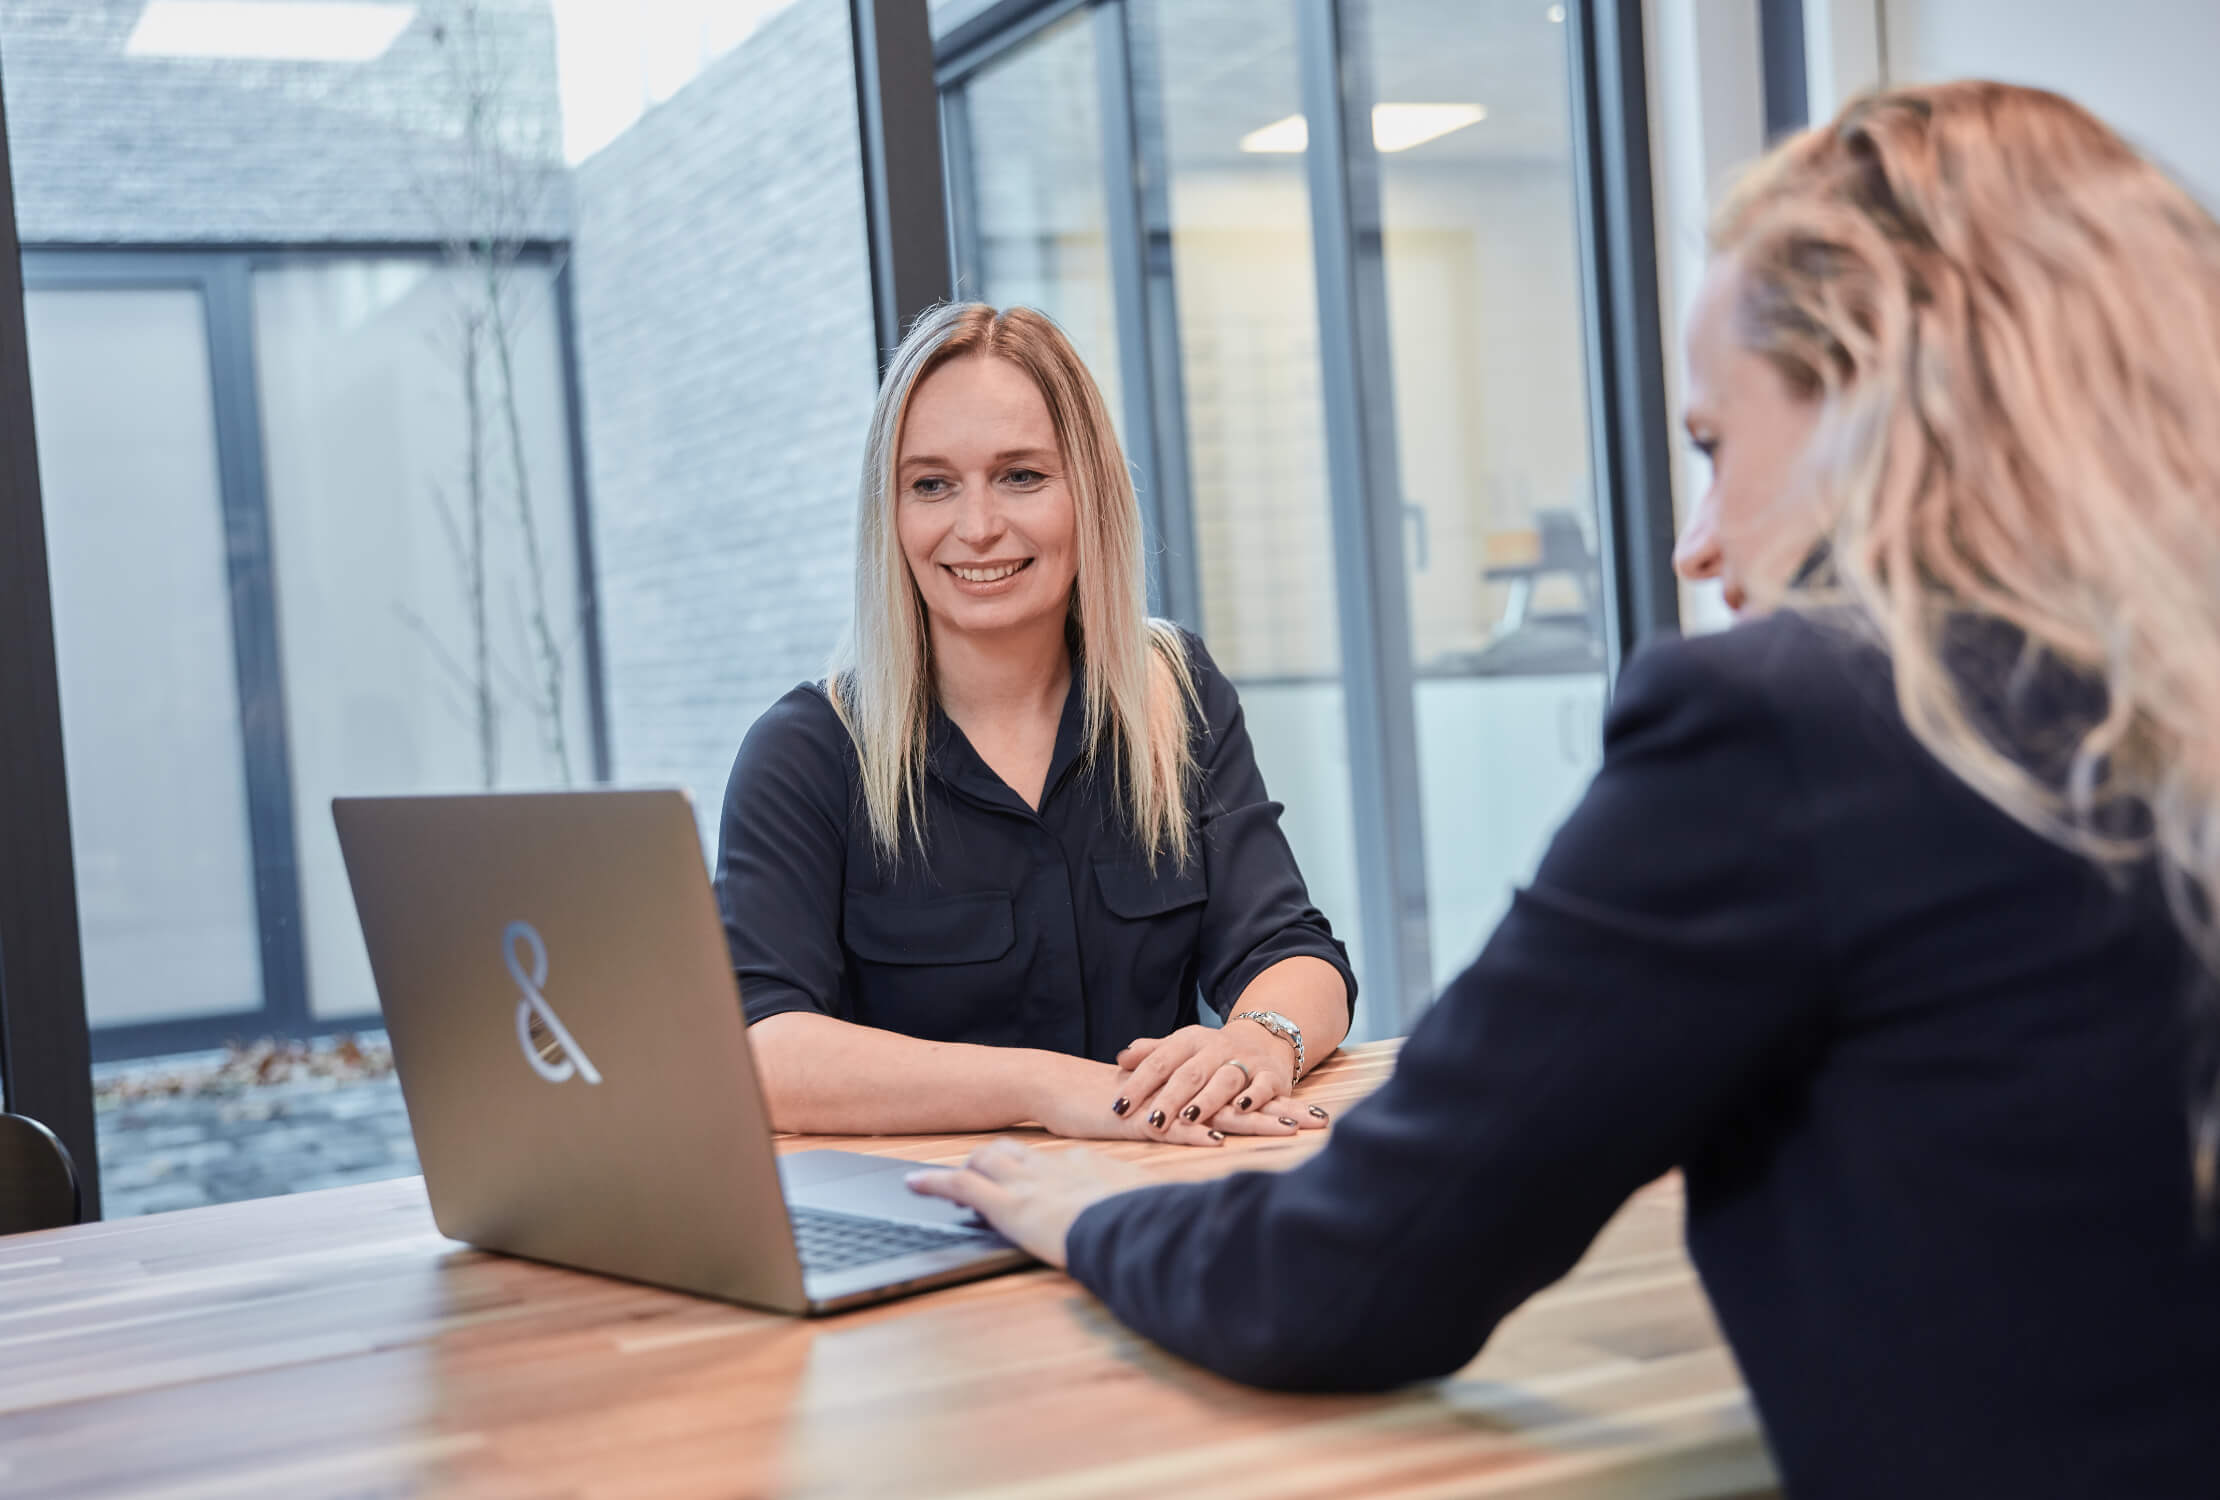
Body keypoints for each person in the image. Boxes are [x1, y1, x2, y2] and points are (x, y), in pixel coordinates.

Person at [908, 82, 2220, 1498]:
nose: (1697, 546)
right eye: (933, 487)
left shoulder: (1795, 721)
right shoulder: (2149, 704)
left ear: (1876, 410)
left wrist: (1091, 1217)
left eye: (1716, 446)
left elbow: (1348, 1273)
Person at [715, 304, 1354, 1146]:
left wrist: (1256, 1043)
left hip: (1157, 1192)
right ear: (890, 514)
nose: (977, 527)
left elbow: (1292, 951)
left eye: (1021, 475)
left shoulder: (1174, 694)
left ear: (1089, 491)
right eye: (931, 484)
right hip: (926, 1220)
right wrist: (1047, 1088)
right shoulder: (806, 753)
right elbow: (764, 1051)